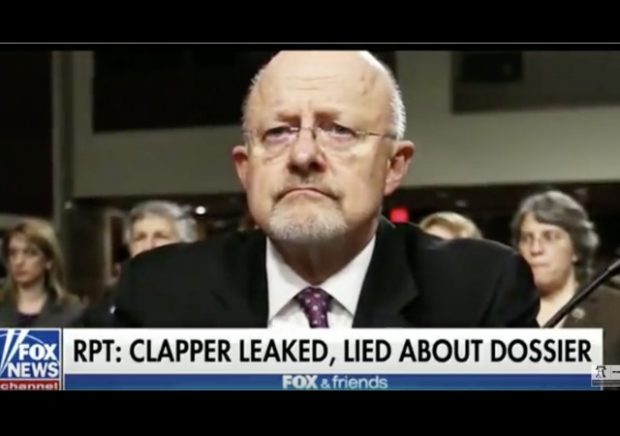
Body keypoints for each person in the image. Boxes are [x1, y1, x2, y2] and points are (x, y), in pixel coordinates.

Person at [110, 51, 539, 328]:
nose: (302, 155)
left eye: (338, 130)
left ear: (393, 166)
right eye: (278, 132)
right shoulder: (159, 293)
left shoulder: (480, 291)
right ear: (245, 168)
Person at [511, 190, 620, 363]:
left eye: (550, 237)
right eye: (527, 238)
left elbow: (616, 374)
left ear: (576, 250)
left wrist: (588, 374)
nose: (535, 249)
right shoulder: (500, 311)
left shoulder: (614, 310)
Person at [80, 200, 198, 326]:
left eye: (160, 236)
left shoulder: (203, 297)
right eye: (140, 238)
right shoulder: (109, 305)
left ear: (185, 245)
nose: (148, 246)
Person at [0, 218, 83, 327]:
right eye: (13, 253)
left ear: (49, 261)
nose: (18, 262)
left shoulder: (71, 311)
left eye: (30, 253)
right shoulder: (2, 303)